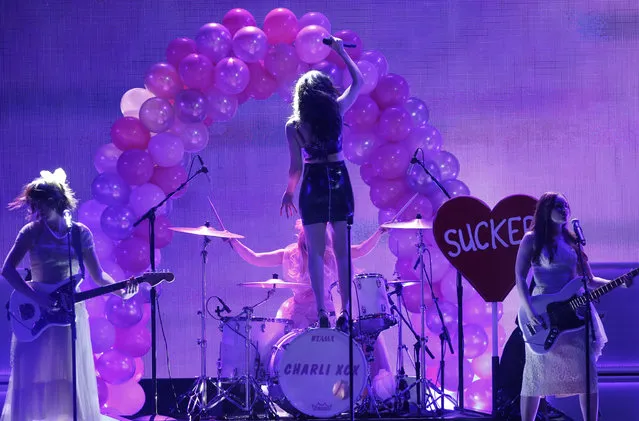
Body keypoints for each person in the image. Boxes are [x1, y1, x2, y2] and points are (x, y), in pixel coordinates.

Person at [1, 168, 137, 421]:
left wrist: (122, 291)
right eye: (34, 205)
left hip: (69, 312)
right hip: (37, 310)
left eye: (42, 204)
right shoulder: (31, 232)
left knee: (69, 369)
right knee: (34, 369)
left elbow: (98, 275)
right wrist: (37, 297)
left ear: (57, 202)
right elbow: (7, 270)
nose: (37, 210)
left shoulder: (79, 234)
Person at [514, 192, 634, 421]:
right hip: (543, 312)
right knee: (536, 375)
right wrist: (529, 311)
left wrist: (620, 284)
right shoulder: (532, 238)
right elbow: (519, 276)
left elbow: (588, 280)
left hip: (576, 316)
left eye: (565, 205)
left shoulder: (573, 242)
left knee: (586, 374)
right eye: (558, 205)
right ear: (545, 211)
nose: (564, 209)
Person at [227, 218, 392, 381]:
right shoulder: (289, 253)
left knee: (340, 346)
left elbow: (361, 250)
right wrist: (234, 242)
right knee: (289, 348)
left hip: (327, 311)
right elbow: (255, 258)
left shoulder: (332, 250)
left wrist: (379, 232)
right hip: (298, 312)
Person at [279, 35, 364, 331]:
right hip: (339, 180)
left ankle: (322, 310)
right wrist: (340, 51)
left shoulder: (294, 125)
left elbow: (295, 167)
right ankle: (346, 311)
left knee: (314, 251)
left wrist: (289, 194)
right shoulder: (337, 112)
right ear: (325, 92)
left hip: (313, 183)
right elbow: (359, 81)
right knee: (342, 251)